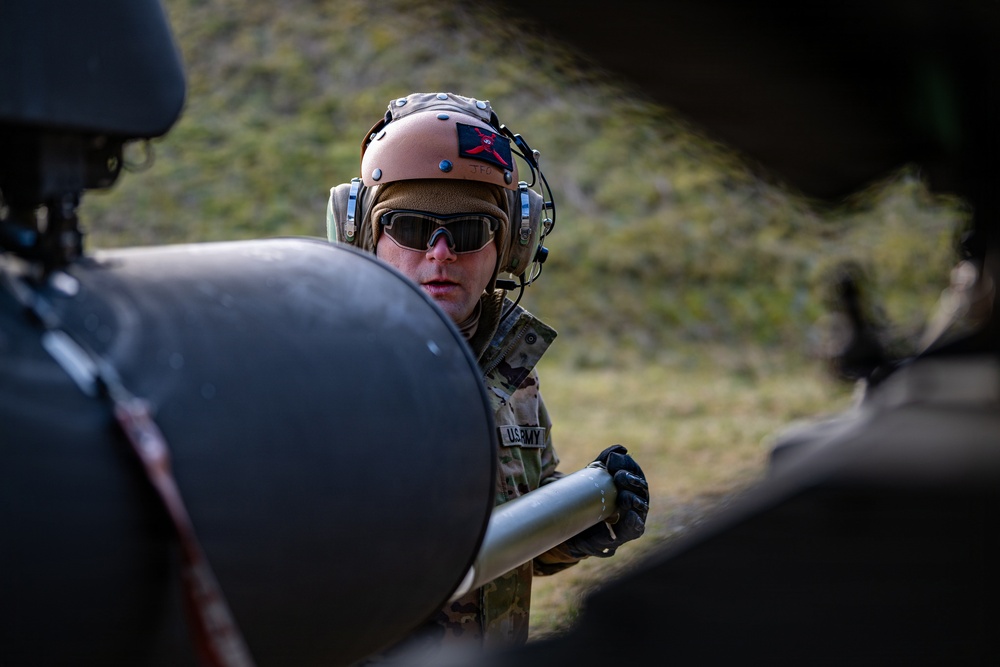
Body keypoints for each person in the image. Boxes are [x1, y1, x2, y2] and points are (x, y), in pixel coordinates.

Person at [326, 92, 649, 654]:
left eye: (470, 230)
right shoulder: (314, 371)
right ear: (362, 234)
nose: (442, 252)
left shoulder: (512, 370)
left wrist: (582, 524)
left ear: (511, 246)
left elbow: (515, 541)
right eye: (410, 225)